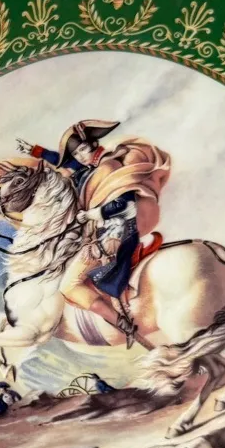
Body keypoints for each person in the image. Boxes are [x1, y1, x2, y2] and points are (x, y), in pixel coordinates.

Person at [16, 120, 171, 346]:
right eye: (77, 153)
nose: (80, 157)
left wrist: (92, 215)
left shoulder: (109, 168)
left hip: (116, 234)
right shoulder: (91, 168)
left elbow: (125, 205)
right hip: (101, 232)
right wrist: (36, 151)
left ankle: (121, 323)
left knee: (69, 286)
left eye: (82, 149)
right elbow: (65, 161)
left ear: (93, 145)